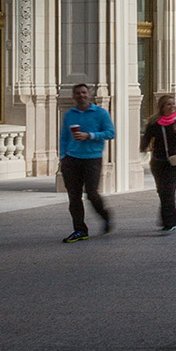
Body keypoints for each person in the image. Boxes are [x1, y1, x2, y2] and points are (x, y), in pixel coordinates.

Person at [59, 81, 115, 241]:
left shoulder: (100, 113)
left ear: (89, 95)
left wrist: (89, 135)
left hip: (92, 159)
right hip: (71, 159)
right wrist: (63, 156)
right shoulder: (70, 114)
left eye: (84, 92)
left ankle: (105, 216)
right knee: (74, 197)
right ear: (73, 97)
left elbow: (111, 133)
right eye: (78, 93)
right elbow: (64, 136)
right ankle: (80, 230)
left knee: (91, 193)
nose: (81, 96)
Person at [140, 91, 176, 233]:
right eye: (168, 105)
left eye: (173, 104)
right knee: (162, 191)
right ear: (161, 107)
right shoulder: (154, 122)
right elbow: (146, 138)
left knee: (168, 190)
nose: (172, 107)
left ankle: (168, 221)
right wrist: (143, 149)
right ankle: (173, 219)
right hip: (158, 162)